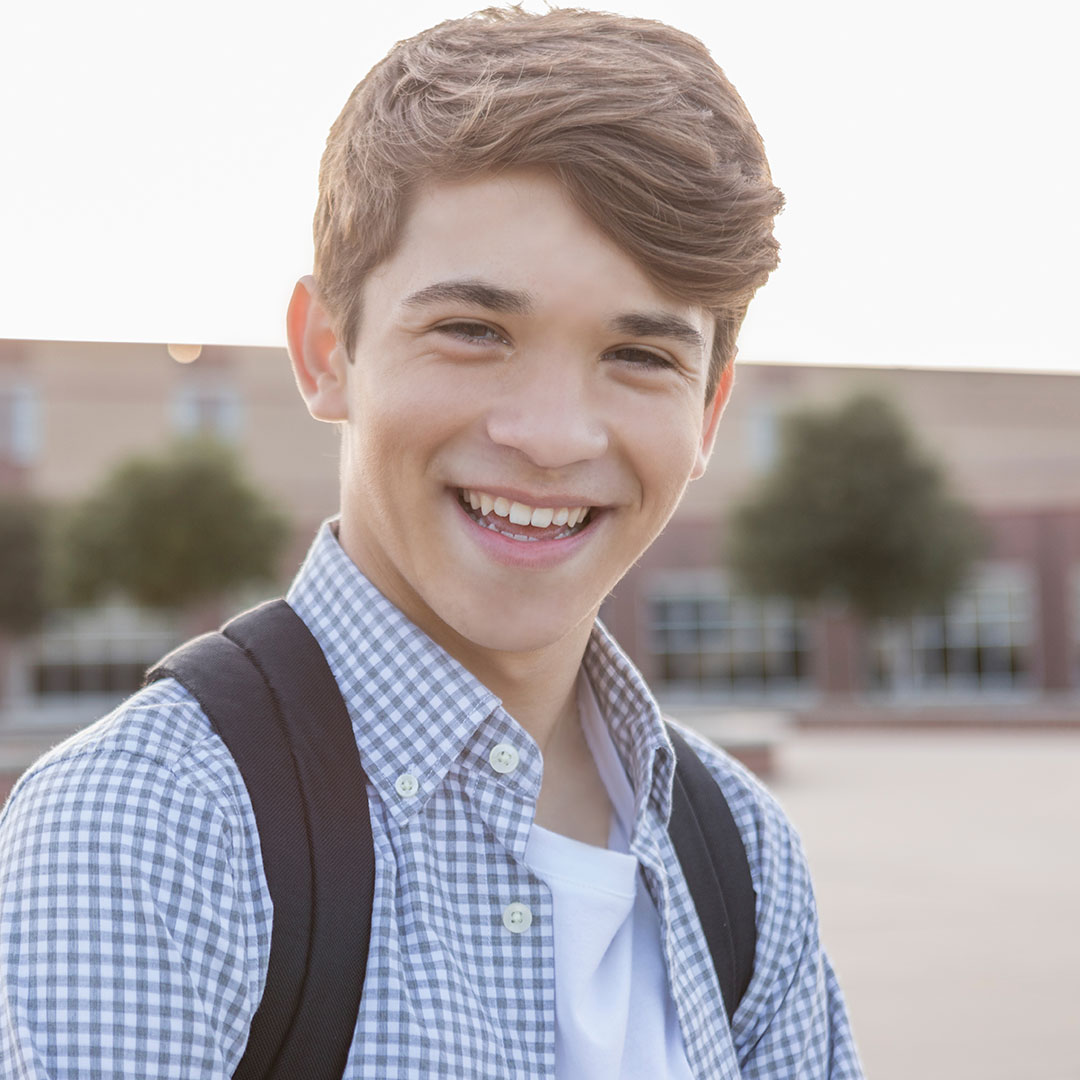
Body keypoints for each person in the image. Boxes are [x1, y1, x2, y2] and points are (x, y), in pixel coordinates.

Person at [0, 7, 863, 1077]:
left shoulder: (742, 853)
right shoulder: (150, 829)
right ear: (326, 352)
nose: (551, 437)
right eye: (473, 330)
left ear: (710, 410)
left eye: (639, 354)